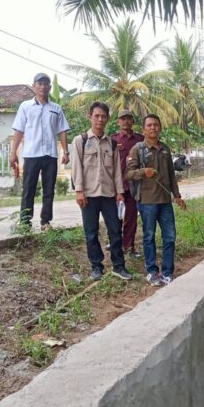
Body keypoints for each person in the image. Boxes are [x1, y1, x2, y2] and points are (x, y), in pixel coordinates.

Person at [70, 101, 133, 281]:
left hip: (108, 195)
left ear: (107, 119)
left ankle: (118, 266)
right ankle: (96, 267)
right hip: (88, 195)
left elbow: (116, 172)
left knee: (115, 231)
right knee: (91, 232)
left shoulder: (112, 144)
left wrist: (120, 192)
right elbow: (76, 168)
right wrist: (79, 190)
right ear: (90, 117)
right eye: (96, 116)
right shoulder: (80, 141)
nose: (100, 119)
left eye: (103, 116)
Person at [126, 114, 187, 286]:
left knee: (170, 237)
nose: (153, 128)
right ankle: (152, 271)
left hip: (165, 201)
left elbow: (171, 177)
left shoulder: (165, 149)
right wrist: (143, 172)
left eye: (156, 125)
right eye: (149, 125)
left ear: (160, 127)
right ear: (144, 129)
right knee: (149, 236)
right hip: (147, 202)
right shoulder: (138, 149)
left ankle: (167, 272)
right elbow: (128, 174)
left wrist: (177, 196)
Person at [10, 72, 70, 231]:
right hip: (31, 154)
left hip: (50, 155)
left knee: (49, 189)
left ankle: (45, 221)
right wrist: (13, 152)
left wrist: (66, 152)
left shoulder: (56, 108)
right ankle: (25, 221)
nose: (43, 86)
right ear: (34, 86)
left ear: (50, 87)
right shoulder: (25, 107)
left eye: (45, 84)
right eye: (40, 83)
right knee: (28, 188)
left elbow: (62, 131)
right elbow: (18, 131)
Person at [111, 110, 144, 257]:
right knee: (115, 217)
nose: (126, 122)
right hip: (117, 185)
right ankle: (115, 244)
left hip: (134, 184)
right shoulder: (112, 140)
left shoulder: (140, 140)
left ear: (133, 121)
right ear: (118, 122)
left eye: (129, 119)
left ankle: (129, 246)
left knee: (131, 217)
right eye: (123, 119)